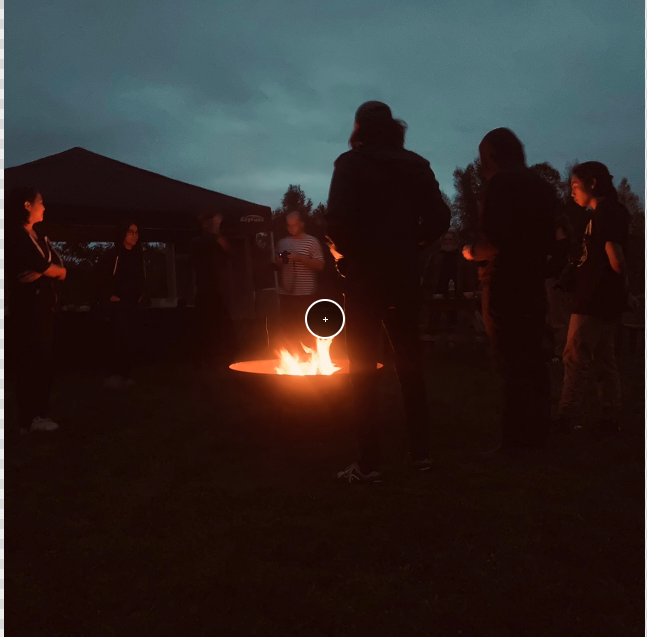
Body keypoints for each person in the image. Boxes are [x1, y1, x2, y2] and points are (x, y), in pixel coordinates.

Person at [326, 101, 451, 483]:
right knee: (410, 366)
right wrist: (415, 247)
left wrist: (347, 260)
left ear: (359, 127)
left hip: (365, 281)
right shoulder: (417, 165)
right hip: (403, 279)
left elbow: (337, 223)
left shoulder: (349, 164)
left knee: (362, 371)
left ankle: (370, 462)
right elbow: (441, 218)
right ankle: (421, 454)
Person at [462, 128, 556, 457]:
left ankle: (516, 442)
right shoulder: (542, 187)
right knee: (532, 356)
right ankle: (539, 433)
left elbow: (493, 241)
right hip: (532, 281)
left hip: (504, 283)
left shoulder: (500, 185)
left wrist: (471, 253)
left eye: (483, 155)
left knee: (511, 361)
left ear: (492, 155)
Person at [555, 162, 635, 436]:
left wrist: (621, 285)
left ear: (592, 183)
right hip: (603, 299)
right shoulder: (605, 213)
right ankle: (610, 417)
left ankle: (566, 416)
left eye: (575, 186)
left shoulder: (607, 212)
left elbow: (615, 256)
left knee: (575, 357)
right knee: (604, 358)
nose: (571, 193)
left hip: (593, 299)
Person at [6, 187, 67, 434]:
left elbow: (58, 266)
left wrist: (54, 271)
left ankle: (36, 414)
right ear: (27, 205)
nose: (44, 206)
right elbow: (39, 265)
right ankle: (31, 417)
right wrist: (49, 269)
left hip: (44, 306)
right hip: (27, 308)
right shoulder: (15, 236)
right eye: (40, 201)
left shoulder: (39, 236)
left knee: (43, 360)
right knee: (31, 360)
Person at [96, 220, 146, 388]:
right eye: (131, 232)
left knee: (129, 339)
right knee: (117, 338)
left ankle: (126, 375)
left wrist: (140, 295)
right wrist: (108, 295)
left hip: (132, 304)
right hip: (117, 305)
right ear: (123, 234)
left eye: (136, 232)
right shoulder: (114, 255)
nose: (134, 236)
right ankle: (114, 374)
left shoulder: (138, 256)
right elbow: (101, 276)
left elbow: (141, 278)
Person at [190, 211, 239, 371]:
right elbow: (211, 240)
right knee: (206, 328)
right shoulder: (198, 241)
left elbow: (230, 251)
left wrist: (217, 231)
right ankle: (206, 362)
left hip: (220, 291)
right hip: (205, 292)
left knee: (223, 327)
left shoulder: (217, 241)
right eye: (207, 223)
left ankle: (226, 359)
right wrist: (216, 226)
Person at [274, 211, 325, 354]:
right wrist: (279, 262)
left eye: (294, 225)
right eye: (288, 225)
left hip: (305, 294)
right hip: (286, 293)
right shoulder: (282, 242)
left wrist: (300, 258)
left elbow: (320, 265)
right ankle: (292, 358)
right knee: (288, 329)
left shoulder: (311, 242)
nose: (291, 228)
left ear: (302, 224)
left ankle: (309, 358)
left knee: (305, 328)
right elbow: (276, 266)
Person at [420, 230, 477, 339]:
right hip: (437, 292)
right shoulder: (435, 256)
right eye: (446, 239)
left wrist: (471, 290)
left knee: (453, 318)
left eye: (450, 239)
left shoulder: (462, 256)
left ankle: (452, 341)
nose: (448, 241)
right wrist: (427, 290)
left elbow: (468, 274)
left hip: (457, 293)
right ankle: (431, 342)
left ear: (455, 240)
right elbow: (427, 273)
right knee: (434, 317)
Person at [545, 214, 576, 362]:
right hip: (552, 283)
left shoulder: (563, 246)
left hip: (557, 284)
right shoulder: (559, 245)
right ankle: (559, 350)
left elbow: (560, 266)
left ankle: (561, 352)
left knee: (560, 319)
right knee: (554, 318)